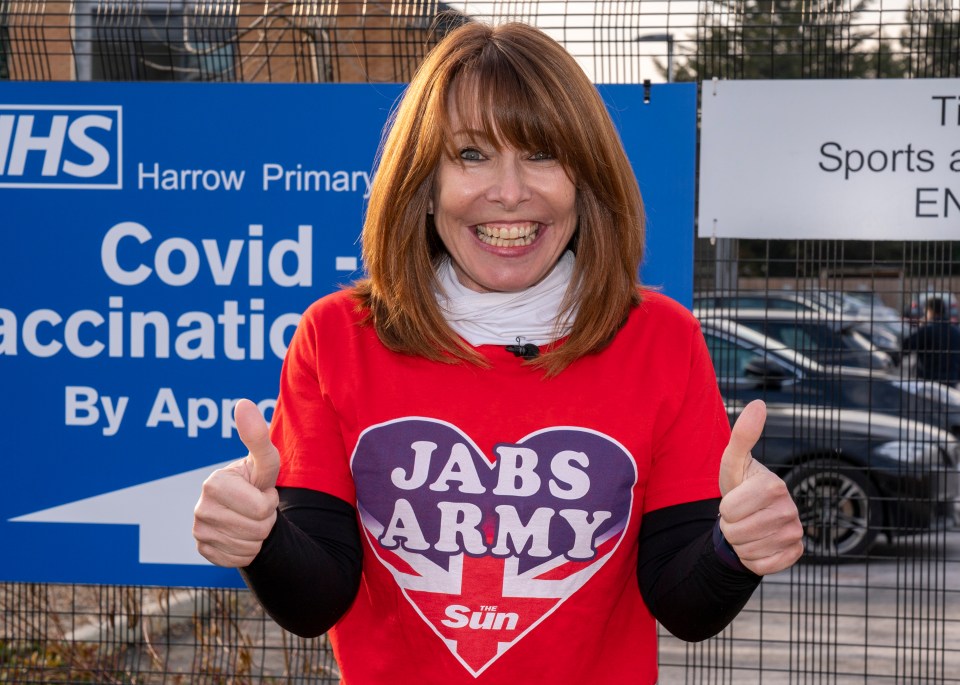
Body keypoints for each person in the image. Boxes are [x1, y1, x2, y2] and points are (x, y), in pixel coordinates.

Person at [193, 21, 804, 684]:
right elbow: (317, 600)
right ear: (423, 186)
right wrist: (260, 539)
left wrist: (735, 546)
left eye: (541, 153)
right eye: (472, 155)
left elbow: (684, 603)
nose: (510, 192)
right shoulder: (339, 336)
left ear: (586, 179)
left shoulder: (660, 339)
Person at [902, 296, 960, 386]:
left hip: (928, 382)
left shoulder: (926, 330)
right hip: (950, 380)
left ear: (930, 311)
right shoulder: (956, 331)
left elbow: (906, 346)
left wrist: (921, 327)